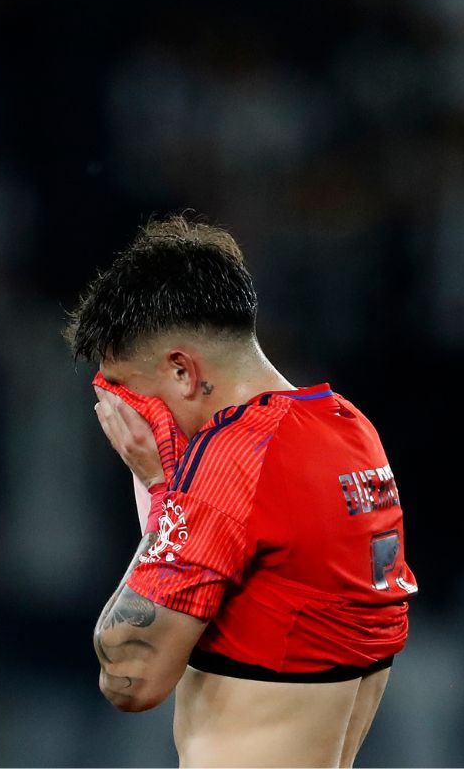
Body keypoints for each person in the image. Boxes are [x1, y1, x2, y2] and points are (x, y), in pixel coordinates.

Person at [64, 214, 417, 767]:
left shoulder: (235, 456)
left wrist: (160, 487)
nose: (121, 416)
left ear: (181, 371)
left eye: (127, 392)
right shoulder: (350, 429)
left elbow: (130, 676)